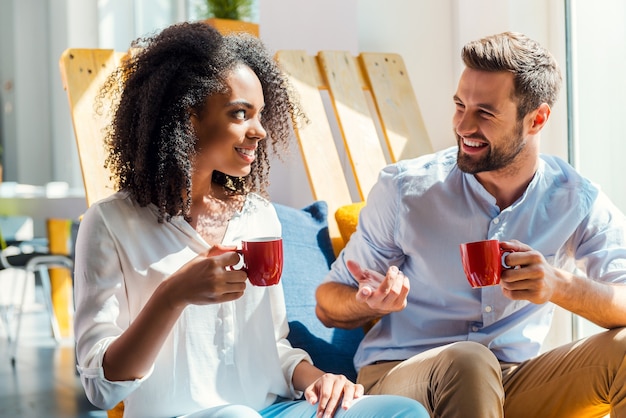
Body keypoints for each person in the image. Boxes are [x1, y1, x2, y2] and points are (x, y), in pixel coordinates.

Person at [72, 22, 429, 418]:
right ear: (188, 117)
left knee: (402, 412)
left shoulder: (257, 217)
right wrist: (172, 295)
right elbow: (100, 388)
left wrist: (319, 380)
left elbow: (272, 347)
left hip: (269, 411)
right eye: (240, 114)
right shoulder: (109, 224)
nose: (259, 131)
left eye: (260, 115)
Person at [315, 31, 626, 418]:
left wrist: (559, 285)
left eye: (485, 112)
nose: (463, 125)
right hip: (401, 375)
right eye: (460, 106)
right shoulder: (405, 189)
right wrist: (365, 301)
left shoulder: (574, 199)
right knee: (469, 361)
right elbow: (328, 302)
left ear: (537, 119)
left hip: (511, 379)